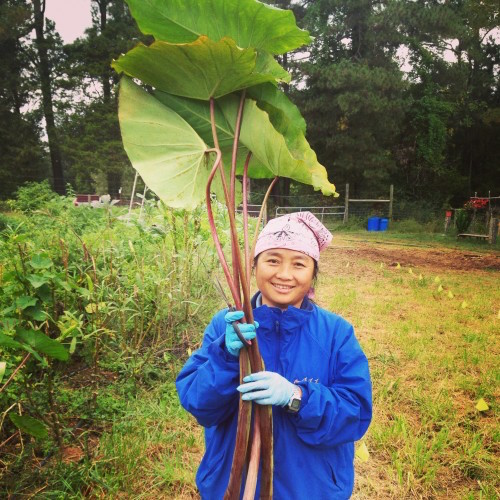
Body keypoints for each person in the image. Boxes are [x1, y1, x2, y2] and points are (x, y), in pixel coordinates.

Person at [176, 212, 372, 499]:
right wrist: (225, 357)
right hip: (235, 487)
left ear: (313, 272)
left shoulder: (335, 333)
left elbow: (355, 414)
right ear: (254, 265)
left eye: (299, 264)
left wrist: (296, 397)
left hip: (309, 489)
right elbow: (199, 405)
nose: (284, 274)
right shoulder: (228, 323)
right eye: (272, 260)